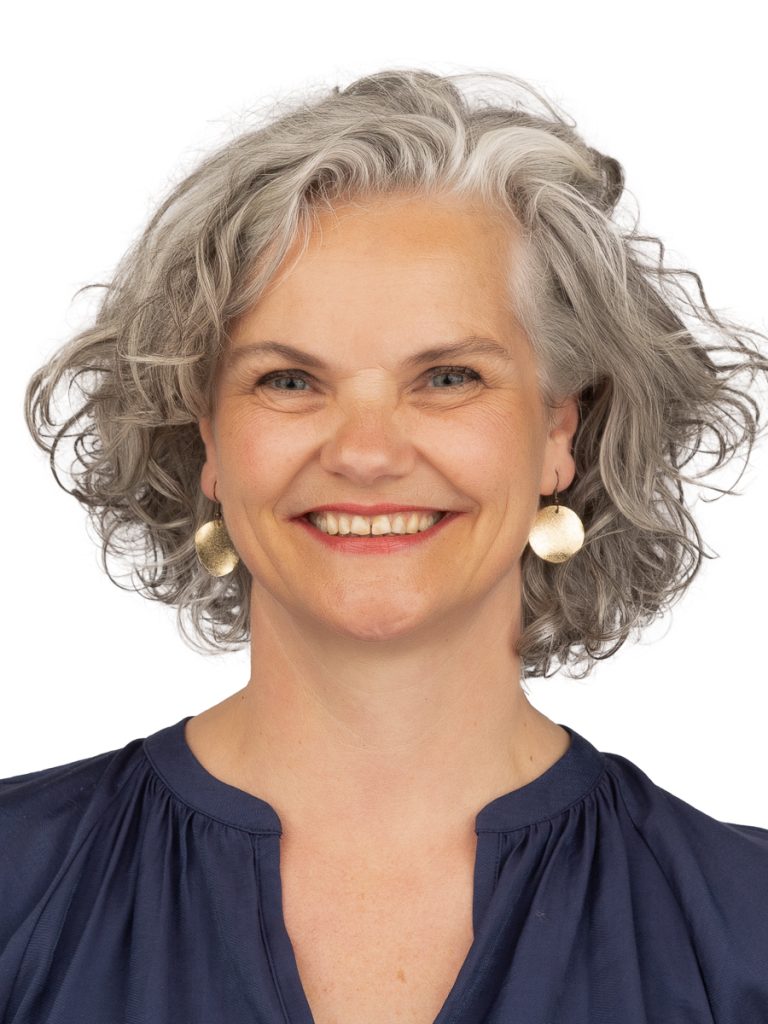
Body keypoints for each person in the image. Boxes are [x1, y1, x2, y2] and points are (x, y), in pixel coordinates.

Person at [3, 67, 767, 1024]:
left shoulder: (746, 931)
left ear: (558, 431)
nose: (365, 454)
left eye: (448, 377)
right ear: (209, 440)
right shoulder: (17, 888)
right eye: (289, 382)